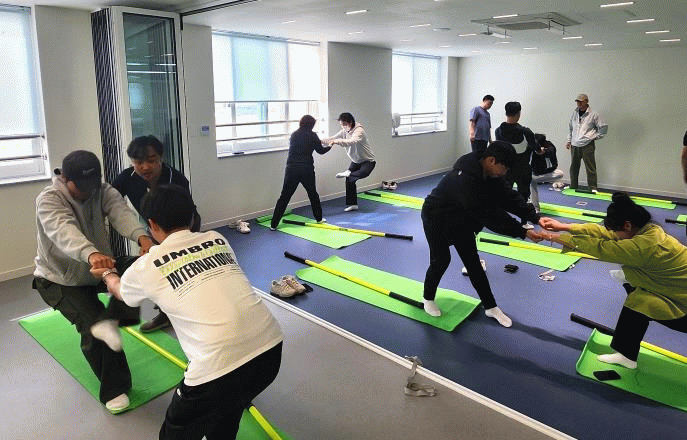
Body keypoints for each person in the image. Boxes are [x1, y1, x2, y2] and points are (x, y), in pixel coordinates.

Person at [92, 184, 283, 439]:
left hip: (216, 368)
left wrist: (108, 273)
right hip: (270, 351)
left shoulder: (145, 266)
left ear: (151, 224)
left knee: (177, 431)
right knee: (230, 406)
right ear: (192, 217)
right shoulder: (218, 239)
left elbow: (121, 292)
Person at [33, 150, 154, 412]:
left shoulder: (102, 189)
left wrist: (142, 237)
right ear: (65, 179)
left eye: (93, 185)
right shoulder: (49, 199)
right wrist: (91, 254)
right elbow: (63, 231)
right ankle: (115, 389)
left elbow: (121, 213)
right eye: (82, 187)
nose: (89, 192)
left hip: (101, 267)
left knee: (147, 269)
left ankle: (116, 318)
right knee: (94, 325)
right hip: (60, 279)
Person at [541, 192, 687, 369]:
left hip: (684, 307)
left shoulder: (641, 247)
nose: (613, 234)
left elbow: (601, 248)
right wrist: (565, 226)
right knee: (631, 284)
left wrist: (556, 237)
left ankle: (626, 357)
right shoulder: (650, 230)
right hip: (677, 291)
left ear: (627, 225)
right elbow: (603, 232)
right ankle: (627, 352)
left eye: (616, 230)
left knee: (639, 301)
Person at [421, 141, 548, 326]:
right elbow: (489, 215)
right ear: (492, 160)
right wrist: (522, 232)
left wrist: (535, 218)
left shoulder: (489, 172)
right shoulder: (465, 179)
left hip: (461, 218)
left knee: (473, 263)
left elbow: (507, 196)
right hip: (436, 218)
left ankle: (490, 307)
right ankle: (428, 298)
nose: (505, 173)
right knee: (441, 260)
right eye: (504, 168)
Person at [113, 135, 202, 333]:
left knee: (176, 268)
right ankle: (166, 308)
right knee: (159, 269)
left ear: (160, 158)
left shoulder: (175, 179)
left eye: (151, 161)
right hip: (154, 227)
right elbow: (109, 200)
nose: (145, 167)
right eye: (138, 162)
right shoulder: (127, 178)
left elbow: (184, 215)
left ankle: (174, 312)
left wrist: (167, 244)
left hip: (183, 224)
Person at [270, 115, 331, 230]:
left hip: (291, 169)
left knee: (284, 197)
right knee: (312, 194)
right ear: (312, 125)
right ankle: (319, 218)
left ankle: (273, 225)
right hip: (306, 169)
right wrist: (330, 146)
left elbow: (304, 144)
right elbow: (321, 151)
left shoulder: (294, 134)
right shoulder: (312, 135)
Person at [323, 112, 376, 212]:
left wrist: (337, 141)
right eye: (341, 124)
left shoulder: (359, 131)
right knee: (349, 180)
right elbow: (332, 138)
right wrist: (317, 140)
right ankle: (353, 204)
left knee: (355, 175)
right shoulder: (345, 131)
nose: (343, 126)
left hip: (368, 162)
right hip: (355, 161)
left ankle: (348, 172)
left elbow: (352, 141)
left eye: (344, 124)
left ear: (350, 122)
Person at [564, 93, 608, 192]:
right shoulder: (574, 113)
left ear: (586, 102)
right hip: (575, 144)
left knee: (590, 167)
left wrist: (595, 136)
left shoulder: (594, 114)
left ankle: (592, 187)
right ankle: (573, 185)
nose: (579, 104)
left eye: (581, 101)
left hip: (587, 145)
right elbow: (571, 128)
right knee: (574, 167)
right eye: (577, 102)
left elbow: (603, 126)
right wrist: (569, 141)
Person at [495, 101, 536, 205]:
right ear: (518, 113)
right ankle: (522, 214)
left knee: (504, 195)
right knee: (523, 196)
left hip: (505, 169)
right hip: (523, 169)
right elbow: (536, 148)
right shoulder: (526, 132)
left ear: (506, 113)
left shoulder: (498, 131)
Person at [530, 133, 564, 212]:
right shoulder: (532, 148)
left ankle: (535, 207)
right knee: (531, 181)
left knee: (560, 173)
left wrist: (543, 151)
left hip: (548, 173)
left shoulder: (550, 146)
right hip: (536, 174)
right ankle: (535, 208)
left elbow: (550, 152)